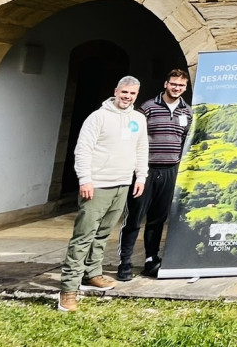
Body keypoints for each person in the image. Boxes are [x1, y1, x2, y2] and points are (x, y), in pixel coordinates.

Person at [57, 76, 148, 313]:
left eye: (132, 94)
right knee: (84, 236)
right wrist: (85, 179)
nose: (127, 97)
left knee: (103, 233)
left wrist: (141, 176)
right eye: (124, 92)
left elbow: (141, 149)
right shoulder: (98, 117)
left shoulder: (138, 119)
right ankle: (68, 289)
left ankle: (93, 273)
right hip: (97, 185)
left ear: (137, 95)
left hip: (122, 184)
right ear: (116, 91)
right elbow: (83, 149)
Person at [117, 68, 191, 281]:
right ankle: (125, 262)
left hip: (170, 171)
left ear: (185, 88)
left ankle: (151, 259)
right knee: (134, 217)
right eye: (173, 84)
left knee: (158, 219)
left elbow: (185, 140)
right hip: (146, 171)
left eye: (181, 85)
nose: (177, 88)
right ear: (166, 84)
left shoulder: (187, 112)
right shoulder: (147, 108)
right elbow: (132, 136)